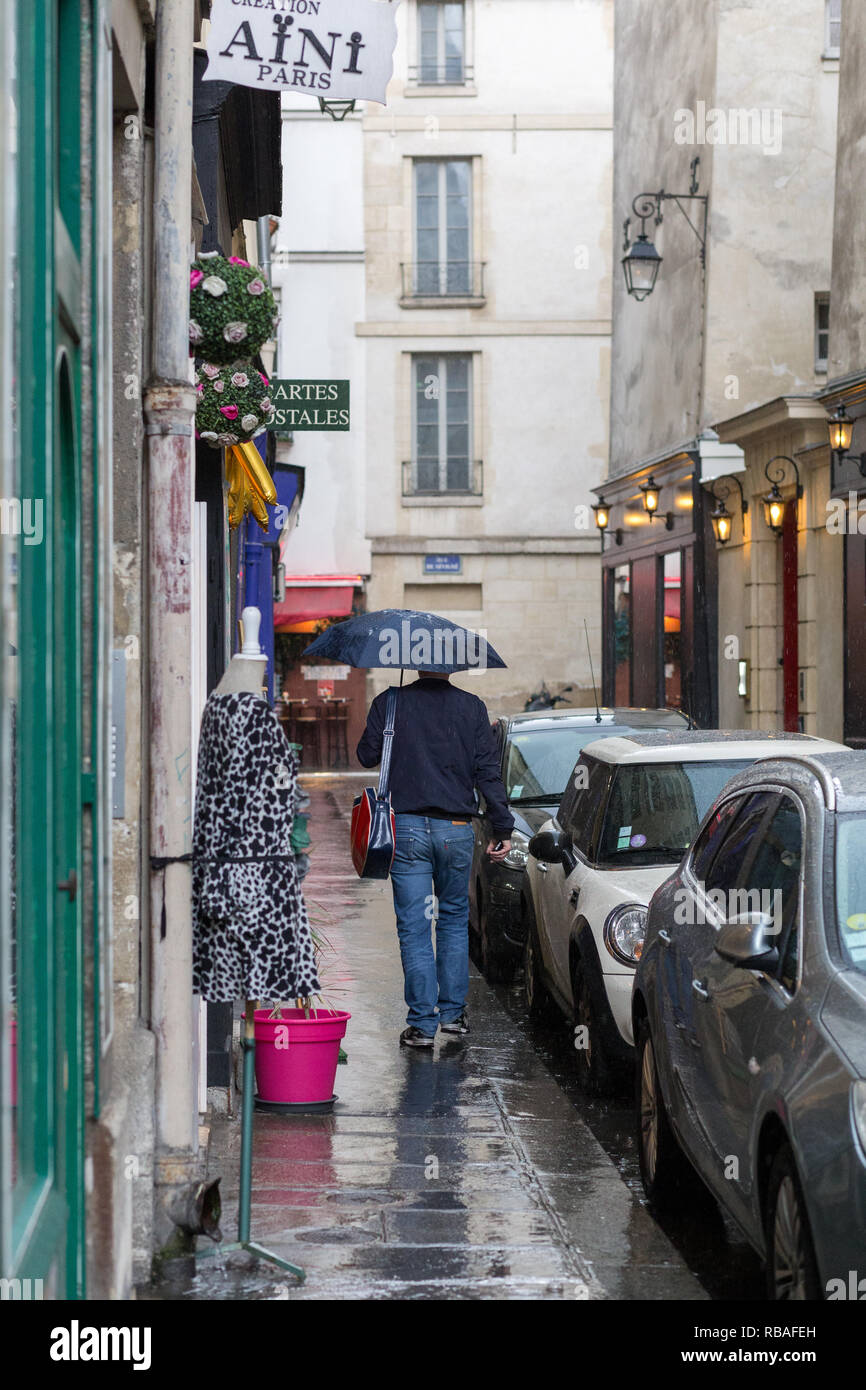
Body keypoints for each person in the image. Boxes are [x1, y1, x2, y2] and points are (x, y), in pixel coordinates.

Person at [357, 671, 514, 1047]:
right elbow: (487, 772)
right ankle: (454, 1017)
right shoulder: (471, 707)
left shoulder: (390, 702)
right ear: (450, 666)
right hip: (456, 829)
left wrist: (392, 725)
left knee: (414, 929)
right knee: (454, 923)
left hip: (407, 828)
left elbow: (366, 756)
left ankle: (422, 1026)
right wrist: (502, 827)